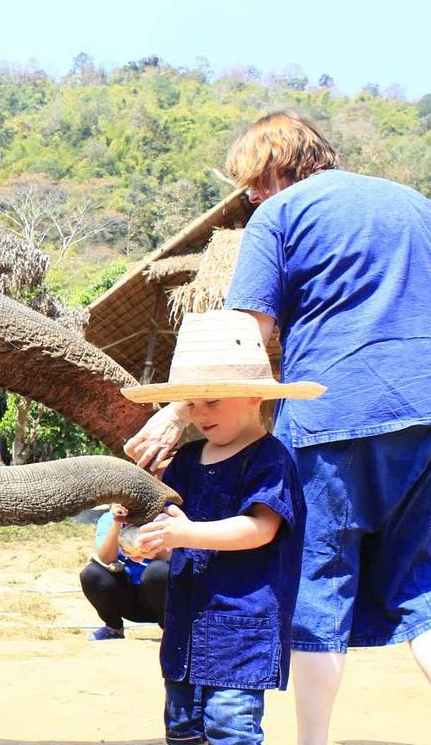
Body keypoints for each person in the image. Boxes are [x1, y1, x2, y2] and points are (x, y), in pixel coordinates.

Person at [125, 111, 431, 745]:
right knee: (425, 577)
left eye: (250, 182)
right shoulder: (412, 203)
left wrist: (177, 407)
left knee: (319, 580)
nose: (248, 198)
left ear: (279, 164)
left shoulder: (279, 216)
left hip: (336, 412)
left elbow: (250, 330)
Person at [124, 309, 317, 745]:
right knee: (182, 730)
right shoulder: (188, 462)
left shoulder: (270, 460)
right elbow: (172, 532)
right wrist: (147, 535)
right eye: (192, 402)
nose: (200, 413)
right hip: (186, 627)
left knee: (230, 729)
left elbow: (259, 530)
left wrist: (184, 534)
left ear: (255, 397)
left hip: (242, 630)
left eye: (213, 400)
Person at [80, 503, 168, 640]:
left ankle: (171, 631)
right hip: (126, 598)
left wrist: (147, 524)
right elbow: (106, 559)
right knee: (91, 574)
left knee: (157, 571)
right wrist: (116, 524)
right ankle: (113, 628)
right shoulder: (108, 519)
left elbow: (166, 557)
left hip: (159, 598)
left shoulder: (161, 518)